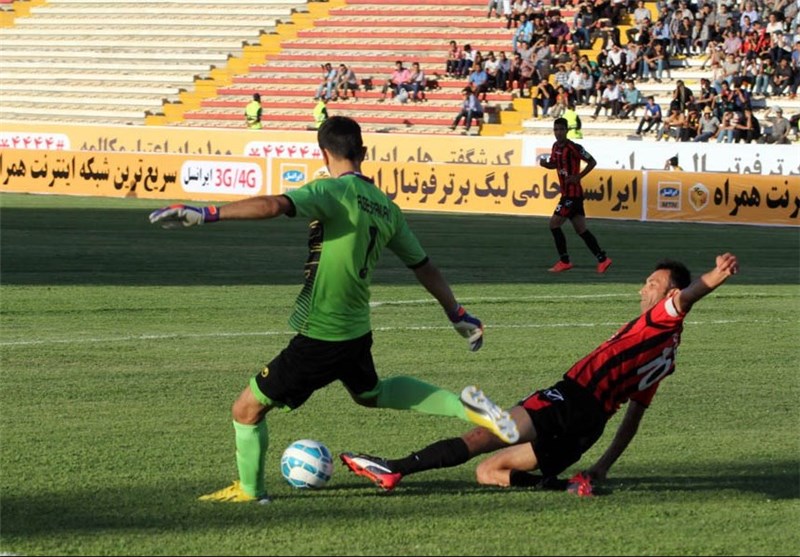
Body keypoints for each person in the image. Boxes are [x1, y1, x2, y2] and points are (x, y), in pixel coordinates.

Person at [147, 116, 518, 503]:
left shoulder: (331, 191)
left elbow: (274, 204)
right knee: (370, 393)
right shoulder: (386, 208)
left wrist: (208, 213)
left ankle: (250, 491)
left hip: (322, 334)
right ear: (363, 152)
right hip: (356, 331)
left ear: (324, 154)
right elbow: (424, 267)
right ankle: (466, 407)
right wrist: (457, 313)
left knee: (246, 409)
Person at [341, 254, 741, 494]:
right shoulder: (667, 357)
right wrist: (603, 465)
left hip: (571, 398)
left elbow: (689, 296)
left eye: (651, 284)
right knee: (489, 471)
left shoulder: (662, 318)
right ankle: (568, 486)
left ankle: (395, 468)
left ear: (670, 294)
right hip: (589, 427)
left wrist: (715, 277)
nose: (642, 290)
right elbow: (634, 416)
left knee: (487, 434)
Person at [538, 118, 611, 274]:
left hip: (572, 195)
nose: (558, 132)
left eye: (561, 129)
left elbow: (592, 161)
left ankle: (564, 261)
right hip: (568, 194)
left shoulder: (574, 147)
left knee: (554, 224)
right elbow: (554, 164)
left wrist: (578, 176)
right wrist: (546, 164)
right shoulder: (555, 147)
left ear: (567, 130)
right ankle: (602, 259)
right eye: (556, 129)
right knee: (581, 230)